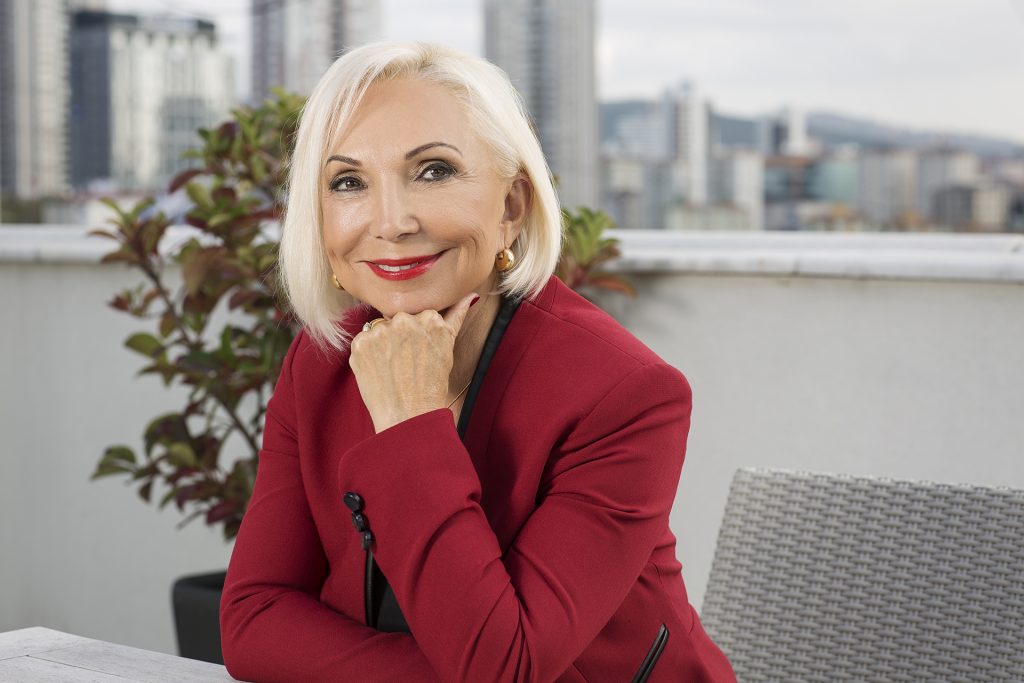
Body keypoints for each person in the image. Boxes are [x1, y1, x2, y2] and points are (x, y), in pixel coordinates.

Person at [219, 41, 736, 683]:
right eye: (348, 182)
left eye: (433, 171)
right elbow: (253, 620)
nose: (391, 222)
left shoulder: (623, 393)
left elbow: (503, 669)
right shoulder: (319, 363)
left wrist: (410, 420)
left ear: (512, 207)